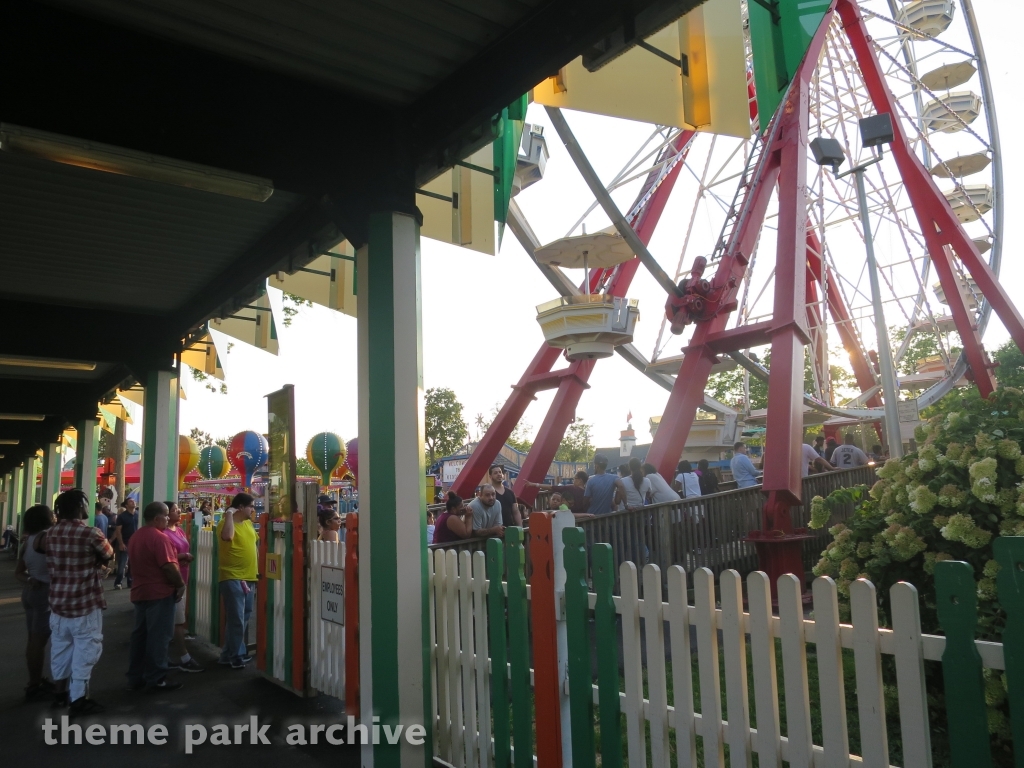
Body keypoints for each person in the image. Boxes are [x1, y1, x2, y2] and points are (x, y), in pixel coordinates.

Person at [45, 489, 114, 715]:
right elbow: (108, 554)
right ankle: (78, 700)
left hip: (58, 604)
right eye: (85, 504)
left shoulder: (51, 534)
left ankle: (59, 693)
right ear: (78, 508)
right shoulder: (90, 534)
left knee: (60, 650)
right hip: (84, 603)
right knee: (86, 651)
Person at [126, 502, 186, 692]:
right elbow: (168, 566)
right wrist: (180, 584)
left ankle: (136, 676)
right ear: (157, 518)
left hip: (140, 592)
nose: (168, 518)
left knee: (140, 637)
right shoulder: (160, 538)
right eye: (166, 515)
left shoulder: (136, 536)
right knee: (159, 637)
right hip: (159, 593)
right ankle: (157, 677)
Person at [15, 504, 55, 702]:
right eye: (51, 514)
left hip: (30, 592)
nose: (55, 516)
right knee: (39, 642)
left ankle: (36, 680)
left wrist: (30, 579)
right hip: (44, 594)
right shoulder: (47, 538)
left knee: (33, 639)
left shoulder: (28, 541)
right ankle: (34, 684)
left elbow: (18, 572)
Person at [217, 492, 259, 669]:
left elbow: (254, 546)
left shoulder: (248, 524)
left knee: (244, 616)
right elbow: (227, 536)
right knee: (237, 619)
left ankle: (227, 654)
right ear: (241, 507)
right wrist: (228, 514)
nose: (253, 509)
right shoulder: (225, 523)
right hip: (232, 576)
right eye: (250, 506)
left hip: (249, 576)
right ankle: (237, 655)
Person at [164, 501, 202, 673]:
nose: (179, 512)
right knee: (178, 621)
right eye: (174, 510)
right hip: (172, 580)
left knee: (177, 618)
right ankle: (183, 656)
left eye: (178, 509)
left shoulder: (178, 530)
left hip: (182, 576)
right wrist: (183, 556)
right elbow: (166, 557)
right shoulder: (163, 533)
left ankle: (164, 656)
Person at [112, 498, 139, 589]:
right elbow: (118, 530)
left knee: (133, 563)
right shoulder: (122, 516)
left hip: (136, 543)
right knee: (122, 564)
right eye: (131, 501)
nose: (133, 502)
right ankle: (118, 582)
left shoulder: (138, 515)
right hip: (126, 542)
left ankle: (130, 581)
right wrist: (121, 543)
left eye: (133, 501)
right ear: (126, 505)